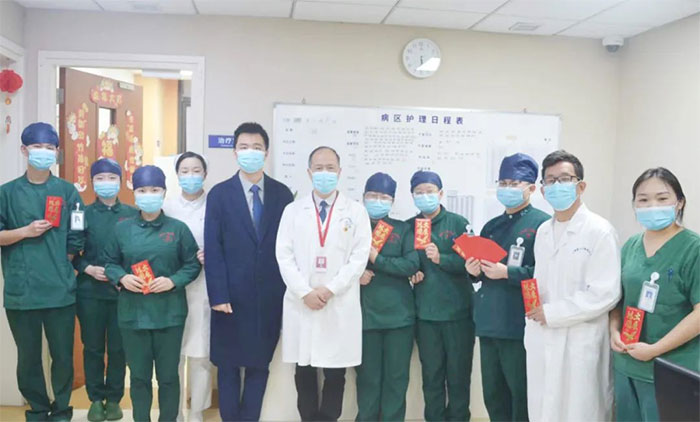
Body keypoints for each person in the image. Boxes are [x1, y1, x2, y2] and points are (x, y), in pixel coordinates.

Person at [204, 123, 294, 422]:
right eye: (244, 147)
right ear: (234, 152)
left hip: (269, 296)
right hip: (229, 297)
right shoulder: (219, 194)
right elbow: (213, 247)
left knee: (259, 366)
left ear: (266, 153)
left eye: (257, 147)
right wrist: (218, 295)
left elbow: (289, 247)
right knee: (228, 366)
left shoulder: (282, 195)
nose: (250, 153)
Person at [276, 146, 371, 422]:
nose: (324, 173)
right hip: (302, 302)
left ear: (340, 172)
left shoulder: (356, 212)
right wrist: (304, 292)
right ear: (309, 173)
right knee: (303, 369)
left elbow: (359, 258)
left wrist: (330, 289)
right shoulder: (293, 211)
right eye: (319, 168)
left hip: (338, 302)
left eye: (330, 168)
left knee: (335, 372)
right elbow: (283, 255)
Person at [525, 150, 621, 422]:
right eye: (550, 180)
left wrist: (553, 313)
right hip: (543, 336)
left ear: (581, 186)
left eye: (565, 179)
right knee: (543, 408)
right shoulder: (543, 231)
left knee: (580, 410)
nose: (557, 185)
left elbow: (606, 293)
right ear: (543, 190)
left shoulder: (600, 230)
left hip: (581, 340)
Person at [0, 122, 84, 422]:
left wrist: (63, 264)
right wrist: (24, 231)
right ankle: (37, 409)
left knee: (62, 356)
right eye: (37, 147)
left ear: (57, 152)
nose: (44, 152)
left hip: (59, 290)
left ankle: (61, 409)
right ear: (24, 150)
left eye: (50, 148)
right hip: (22, 291)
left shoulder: (67, 192)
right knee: (29, 357)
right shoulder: (7, 193)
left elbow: (77, 234)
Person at [103, 165, 201, 422]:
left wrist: (173, 281)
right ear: (135, 194)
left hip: (169, 315)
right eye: (143, 190)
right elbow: (110, 262)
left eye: (155, 190)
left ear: (164, 192)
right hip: (133, 316)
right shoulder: (122, 229)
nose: (149, 195)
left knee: (168, 377)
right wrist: (122, 277)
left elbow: (192, 263)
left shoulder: (178, 229)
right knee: (139, 378)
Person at [610, 167, 700, 422]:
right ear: (634, 205)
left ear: (679, 202)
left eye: (662, 198)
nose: (652, 206)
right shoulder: (631, 246)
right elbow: (617, 298)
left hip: (672, 369)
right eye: (643, 200)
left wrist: (655, 349)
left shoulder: (693, 248)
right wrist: (613, 331)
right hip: (627, 363)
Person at [466, 153, 549, 422]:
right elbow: (480, 272)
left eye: (514, 183)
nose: (507, 188)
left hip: (519, 322)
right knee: (493, 394)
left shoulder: (543, 225)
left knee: (520, 393)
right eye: (503, 183)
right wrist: (473, 272)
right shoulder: (491, 226)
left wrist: (509, 273)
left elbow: (548, 275)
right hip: (489, 322)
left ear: (531, 188)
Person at [407, 170, 475, 422]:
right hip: (425, 315)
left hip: (458, 315)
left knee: (458, 378)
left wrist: (441, 258)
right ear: (412, 196)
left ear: (441, 193)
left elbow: (472, 263)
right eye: (419, 192)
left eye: (429, 191)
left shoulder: (457, 224)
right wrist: (410, 272)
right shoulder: (409, 227)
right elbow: (404, 262)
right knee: (432, 378)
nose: (424, 196)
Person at [73, 158, 137, 422]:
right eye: (100, 178)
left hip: (122, 293)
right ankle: (95, 399)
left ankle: (114, 399)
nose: (106, 182)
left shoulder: (133, 214)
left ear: (121, 181)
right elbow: (71, 251)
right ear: (92, 182)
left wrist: (123, 276)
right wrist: (87, 268)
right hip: (90, 293)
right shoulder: (81, 214)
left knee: (120, 349)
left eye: (112, 177)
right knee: (93, 348)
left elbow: (139, 252)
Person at [355, 172, 419, 422]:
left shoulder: (403, 229)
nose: (377, 201)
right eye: (372, 196)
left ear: (392, 201)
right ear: (363, 197)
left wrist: (377, 259)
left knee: (396, 379)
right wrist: (356, 275)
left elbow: (410, 265)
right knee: (368, 379)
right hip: (365, 318)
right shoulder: (352, 226)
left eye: (384, 197)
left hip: (399, 319)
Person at [162, 152, 212, 422]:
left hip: (204, 288)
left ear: (205, 174)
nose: (190, 176)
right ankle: (175, 412)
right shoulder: (167, 207)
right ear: (177, 175)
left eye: (196, 171)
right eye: (185, 171)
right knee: (173, 355)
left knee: (201, 354)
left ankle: (197, 411)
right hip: (172, 288)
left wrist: (213, 254)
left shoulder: (215, 206)